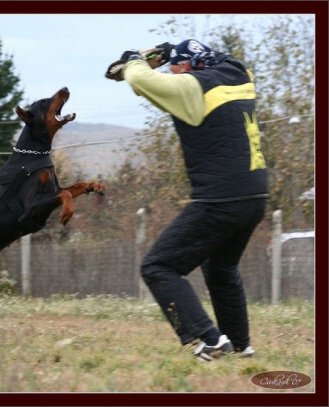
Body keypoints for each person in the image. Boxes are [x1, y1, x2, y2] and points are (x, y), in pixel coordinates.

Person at [113, 39, 268, 361]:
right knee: (221, 268)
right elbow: (222, 57)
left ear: (187, 68)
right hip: (255, 195)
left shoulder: (190, 88)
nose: (170, 70)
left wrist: (134, 59)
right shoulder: (239, 75)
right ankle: (241, 346)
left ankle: (209, 340)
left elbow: (140, 79)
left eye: (174, 65)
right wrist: (174, 50)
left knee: (159, 266)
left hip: (221, 200)